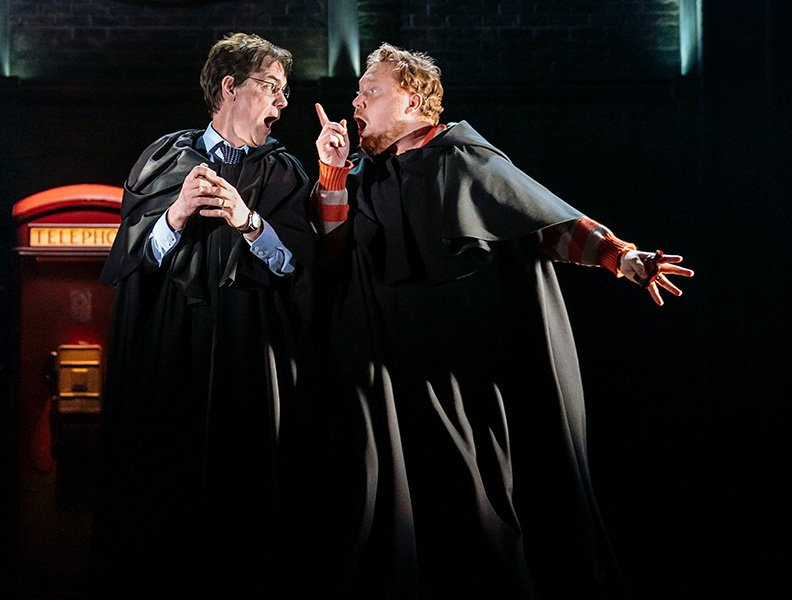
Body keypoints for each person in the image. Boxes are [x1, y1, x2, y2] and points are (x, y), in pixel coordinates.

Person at [297, 44, 694, 598]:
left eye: (370, 92)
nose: (356, 102)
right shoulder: (367, 173)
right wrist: (333, 172)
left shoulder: (463, 157)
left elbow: (540, 218)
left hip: (466, 369)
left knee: (475, 498)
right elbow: (334, 255)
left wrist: (618, 256)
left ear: (412, 101)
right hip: (393, 370)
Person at [90, 32, 316, 597]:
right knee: (167, 494)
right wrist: (178, 213)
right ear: (229, 88)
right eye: (271, 88)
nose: (281, 103)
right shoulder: (166, 158)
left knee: (248, 498)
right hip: (172, 353)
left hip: (251, 355)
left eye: (284, 91)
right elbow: (133, 259)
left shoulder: (285, 172)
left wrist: (249, 221)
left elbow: (300, 270)